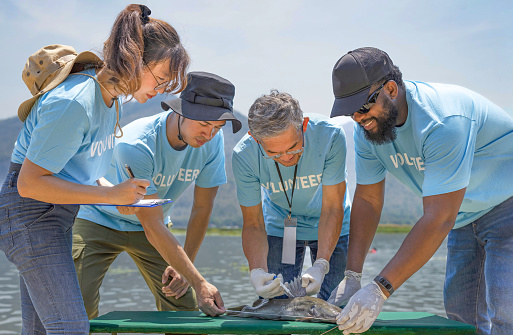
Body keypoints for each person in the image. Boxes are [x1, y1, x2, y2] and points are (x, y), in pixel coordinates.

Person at [0, 4, 191, 334]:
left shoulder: (112, 100)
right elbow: (29, 184)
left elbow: (83, 170)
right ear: (134, 59)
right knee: (72, 327)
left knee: (40, 330)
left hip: (57, 216)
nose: (160, 92)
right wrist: (107, 193)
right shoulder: (74, 102)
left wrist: (115, 197)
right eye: (161, 80)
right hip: (28, 216)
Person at [328, 47, 513, 335]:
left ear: (390, 89)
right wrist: (352, 276)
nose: (358, 118)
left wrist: (380, 289)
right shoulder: (368, 131)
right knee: (460, 320)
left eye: (363, 107)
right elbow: (368, 199)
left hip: (506, 205)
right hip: (463, 215)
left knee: (506, 313)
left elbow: (439, 217)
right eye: (350, 111)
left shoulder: (442, 121)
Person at [74, 71, 240, 319]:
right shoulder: (137, 144)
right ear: (180, 111)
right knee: (77, 304)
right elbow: (152, 225)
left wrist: (186, 271)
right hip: (99, 218)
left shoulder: (212, 144)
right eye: (204, 124)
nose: (209, 134)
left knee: (185, 305)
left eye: (216, 127)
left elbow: (202, 208)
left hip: (154, 227)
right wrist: (200, 281)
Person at [232, 90, 351, 301]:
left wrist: (322, 264)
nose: (286, 158)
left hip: (331, 221)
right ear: (256, 140)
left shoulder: (330, 135)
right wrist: (256, 271)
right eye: (274, 154)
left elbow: (333, 207)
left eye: (294, 147)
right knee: (275, 302)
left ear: (303, 125)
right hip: (280, 224)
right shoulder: (244, 154)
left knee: (334, 305)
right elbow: (253, 223)